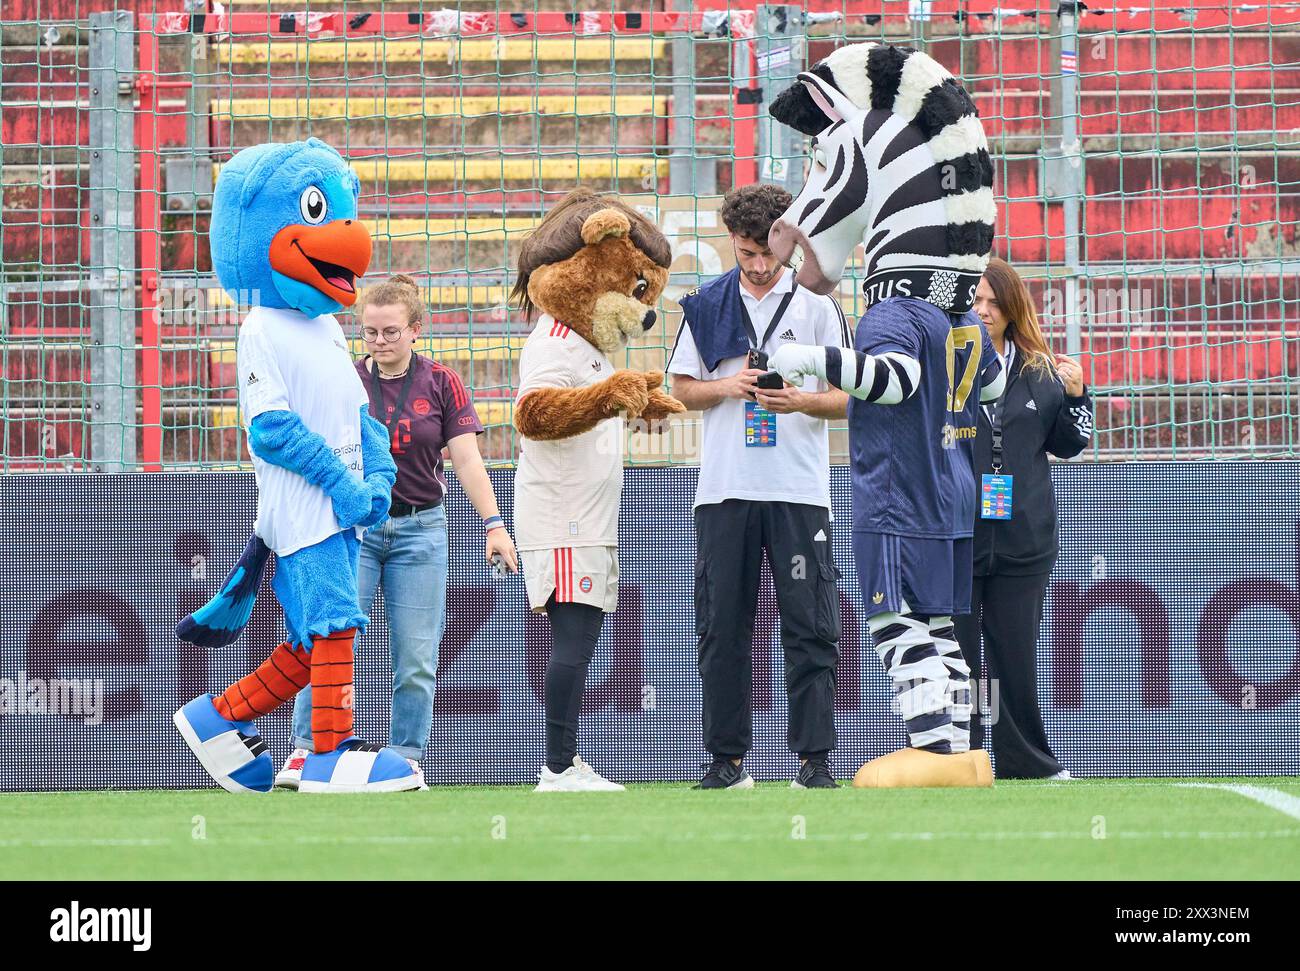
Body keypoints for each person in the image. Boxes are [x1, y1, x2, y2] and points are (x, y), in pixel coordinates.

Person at [275, 274, 519, 788]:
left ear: (416, 330)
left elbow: (469, 461)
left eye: (390, 332)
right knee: (329, 638)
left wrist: (494, 524)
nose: (380, 342)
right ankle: (305, 751)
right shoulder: (341, 380)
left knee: (415, 655)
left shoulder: (441, 381)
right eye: (370, 333)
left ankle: (406, 755)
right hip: (353, 529)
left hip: (420, 529)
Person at [667, 184, 851, 789]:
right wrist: (730, 387)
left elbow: (848, 400)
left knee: (811, 625)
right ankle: (726, 762)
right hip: (724, 491)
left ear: (788, 243)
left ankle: (814, 763)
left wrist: (799, 400)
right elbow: (681, 389)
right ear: (733, 244)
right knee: (722, 628)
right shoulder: (707, 304)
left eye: (767, 253)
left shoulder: (820, 307)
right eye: (746, 253)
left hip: (799, 491)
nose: (757, 265)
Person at [954, 257, 1093, 779]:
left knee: (1015, 658)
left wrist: (1080, 397)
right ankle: (959, 760)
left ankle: (1026, 762)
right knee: (958, 660)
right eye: (976, 301)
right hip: (958, 535)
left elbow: (1070, 444)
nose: (984, 311)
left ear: (1013, 310)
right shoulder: (947, 365)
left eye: (994, 303)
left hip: (1024, 541)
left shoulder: (1041, 371)